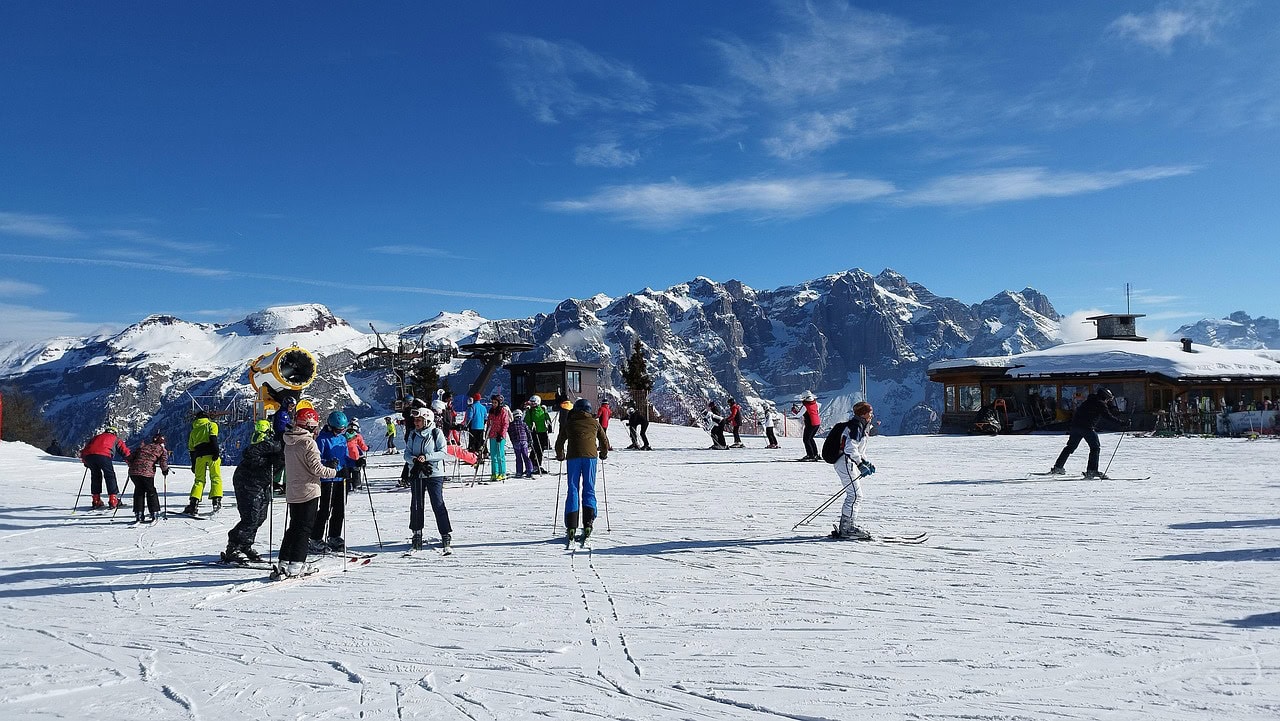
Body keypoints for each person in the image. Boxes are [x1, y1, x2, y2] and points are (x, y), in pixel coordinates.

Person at [279, 407, 337, 577]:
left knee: (294, 527)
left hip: (293, 490)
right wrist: (333, 471)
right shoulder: (307, 442)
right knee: (304, 529)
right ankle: (297, 564)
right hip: (309, 490)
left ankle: (283, 562)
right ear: (310, 425)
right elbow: (316, 469)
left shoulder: (289, 440)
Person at [224, 420, 284, 563]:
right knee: (250, 517)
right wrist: (263, 461)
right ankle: (233, 546)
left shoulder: (290, 450)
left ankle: (245, 544)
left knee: (260, 516)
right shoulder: (275, 445)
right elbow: (249, 452)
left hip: (262, 483)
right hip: (247, 480)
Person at [555, 399, 610, 547]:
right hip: (590, 458)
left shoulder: (570, 422)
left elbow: (559, 441)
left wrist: (560, 455)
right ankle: (588, 523)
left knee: (573, 489)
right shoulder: (594, 423)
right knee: (589, 489)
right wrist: (603, 453)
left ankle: (571, 525)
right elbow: (604, 441)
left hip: (573, 457)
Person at [403, 407, 452, 552]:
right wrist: (414, 460)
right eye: (415, 420)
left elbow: (443, 452)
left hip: (434, 473)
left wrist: (427, 458)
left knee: (437, 503)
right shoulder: (413, 435)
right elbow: (406, 453)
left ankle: (445, 533)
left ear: (427, 420)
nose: (416, 422)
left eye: (418, 420)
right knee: (417, 504)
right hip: (417, 473)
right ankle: (416, 532)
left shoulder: (436, 433)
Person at [1050, 388, 1126, 479]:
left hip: (1075, 427)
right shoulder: (1100, 403)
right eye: (1108, 399)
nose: (1108, 401)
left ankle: (1058, 467)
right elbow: (1107, 416)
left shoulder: (1089, 401)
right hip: (1087, 428)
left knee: (1070, 447)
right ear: (1104, 397)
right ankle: (1092, 471)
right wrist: (1122, 423)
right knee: (1095, 447)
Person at [831, 402, 876, 539]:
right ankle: (847, 529)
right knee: (855, 495)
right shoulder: (857, 426)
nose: (871, 415)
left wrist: (865, 461)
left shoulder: (858, 424)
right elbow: (850, 448)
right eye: (869, 412)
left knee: (855, 494)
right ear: (863, 414)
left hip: (845, 462)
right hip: (846, 462)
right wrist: (860, 464)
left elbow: (857, 448)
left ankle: (847, 526)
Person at [312, 410, 354, 551]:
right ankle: (316, 538)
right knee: (324, 510)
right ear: (330, 426)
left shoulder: (342, 439)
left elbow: (346, 457)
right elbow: (316, 460)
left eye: (342, 429)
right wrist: (328, 463)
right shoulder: (322, 439)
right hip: (327, 480)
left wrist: (356, 463)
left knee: (340, 510)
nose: (340, 432)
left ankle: (334, 536)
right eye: (337, 429)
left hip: (341, 478)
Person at [80, 426, 131, 509]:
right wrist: (130, 461)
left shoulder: (96, 437)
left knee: (95, 476)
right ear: (114, 433)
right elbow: (124, 451)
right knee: (109, 476)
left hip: (89, 456)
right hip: (104, 456)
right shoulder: (115, 438)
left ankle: (96, 500)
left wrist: (85, 461)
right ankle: (113, 500)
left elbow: (85, 449)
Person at [183, 410, 223, 515]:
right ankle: (216, 501)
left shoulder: (193, 431)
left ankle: (193, 504)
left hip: (199, 457)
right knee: (215, 477)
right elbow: (213, 438)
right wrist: (216, 453)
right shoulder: (212, 425)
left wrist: (193, 464)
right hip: (211, 455)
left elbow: (191, 449)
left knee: (199, 480)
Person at [126, 431, 169, 522]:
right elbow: (163, 462)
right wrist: (165, 470)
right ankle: (154, 512)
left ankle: (139, 514)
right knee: (151, 491)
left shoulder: (144, 447)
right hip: (147, 472)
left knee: (139, 490)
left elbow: (130, 458)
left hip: (134, 472)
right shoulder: (162, 450)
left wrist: (132, 466)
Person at [524, 395, 553, 472]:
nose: (532, 404)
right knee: (535, 449)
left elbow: (547, 417)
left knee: (540, 449)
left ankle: (538, 465)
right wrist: (530, 427)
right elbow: (527, 421)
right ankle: (530, 466)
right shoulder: (530, 411)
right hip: (535, 432)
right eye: (531, 402)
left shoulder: (542, 409)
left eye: (534, 402)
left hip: (543, 432)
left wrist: (549, 425)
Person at [486, 395, 510, 481]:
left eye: (495, 402)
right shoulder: (491, 411)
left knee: (500, 455)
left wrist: (502, 434)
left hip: (500, 436)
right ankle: (494, 473)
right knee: (493, 455)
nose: (493, 404)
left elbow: (505, 424)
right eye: (492, 402)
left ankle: (502, 472)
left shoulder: (503, 411)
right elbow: (489, 422)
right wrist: (487, 432)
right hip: (492, 435)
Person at [509, 405, 535, 478]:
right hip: (524, 441)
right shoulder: (524, 423)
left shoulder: (511, 425)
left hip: (516, 442)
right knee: (526, 456)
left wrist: (512, 441)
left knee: (518, 457)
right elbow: (528, 432)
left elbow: (510, 433)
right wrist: (530, 440)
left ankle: (519, 472)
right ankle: (529, 470)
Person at [794, 391, 821, 461]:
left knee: (806, 439)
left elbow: (798, 415)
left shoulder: (805, 406)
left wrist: (794, 411)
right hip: (817, 423)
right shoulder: (816, 403)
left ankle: (810, 455)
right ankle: (815, 454)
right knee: (810, 438)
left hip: (810, 423)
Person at [345, 419, 368, 491]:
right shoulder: (358, 436)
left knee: (347, 472)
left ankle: (347, 486)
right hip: (355, 457)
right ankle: (357, 485)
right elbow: (363, 447)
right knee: (356, 471)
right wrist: (367, 448)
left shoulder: (344, 435)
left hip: (346, 457)